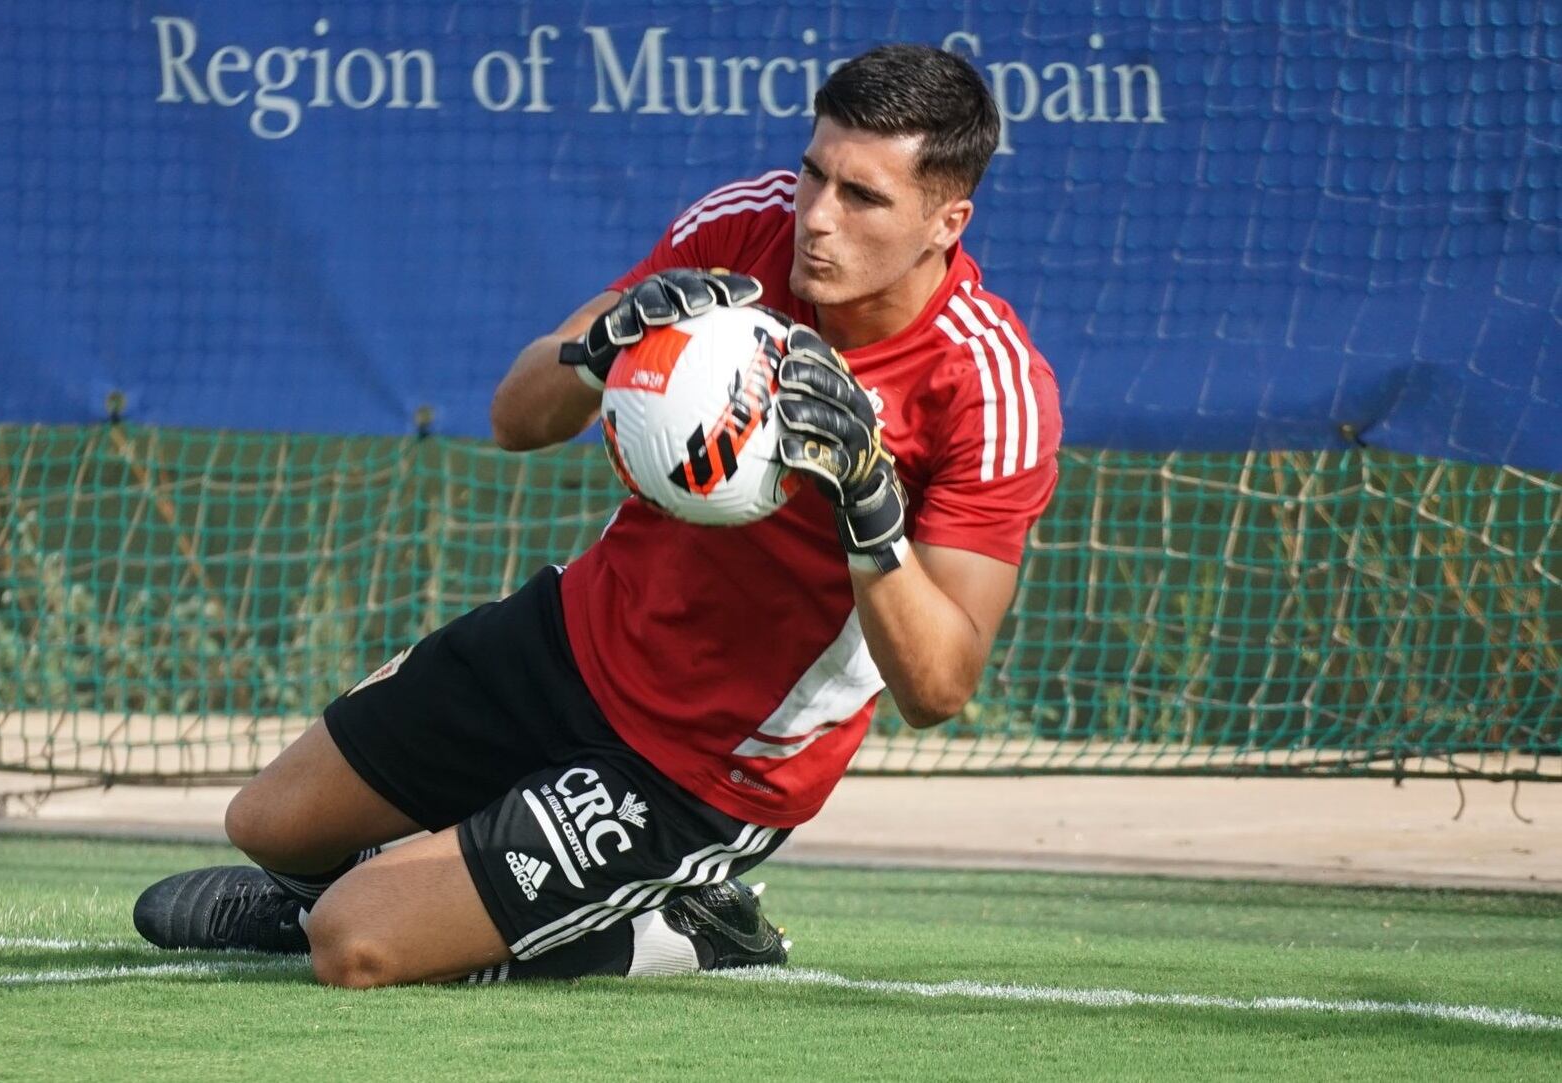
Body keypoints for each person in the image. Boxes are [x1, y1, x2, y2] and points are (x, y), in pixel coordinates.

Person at [134, 43, 1061, 988]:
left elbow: (938, 685)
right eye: (814, 173)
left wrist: (867, 505)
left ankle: (686, 925)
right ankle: (434, 889)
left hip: (703, 767)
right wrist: (601, 344)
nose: (815, 217)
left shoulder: (988, 387)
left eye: (862, 197)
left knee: (352, 943)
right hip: (574, 639)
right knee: (267, 823)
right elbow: (515, 419)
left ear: (947, 221)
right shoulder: (743, 227)